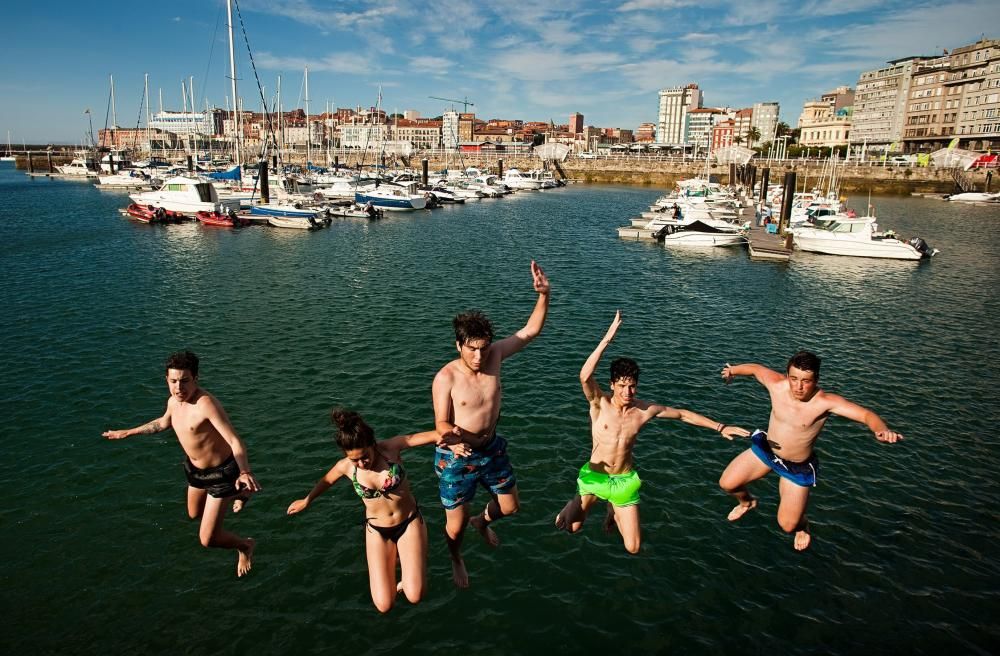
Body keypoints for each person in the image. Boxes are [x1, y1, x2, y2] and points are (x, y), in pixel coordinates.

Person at [555, 311, 749, 553]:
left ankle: (612, 507)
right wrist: (608, 338)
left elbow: (683, 414)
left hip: (624, 479)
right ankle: (578, 499)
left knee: (633, 547)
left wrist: (720, 427)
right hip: (595, 476)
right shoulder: (599, 403)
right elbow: (584, 375)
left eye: (633, 386)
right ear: (613, 384)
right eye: (623, 386)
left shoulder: (644, 410)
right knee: (571, 527)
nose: (628, 392)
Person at [432, 260, 550, 588]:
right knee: (453, 528)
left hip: (492, 448)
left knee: (510, 507)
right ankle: (457, 558)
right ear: (459, 345)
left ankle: (481, 521)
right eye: (472, 350)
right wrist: (451, 439)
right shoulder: (446, 378)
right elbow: (441, 421)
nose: (479, 357)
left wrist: (544, 294)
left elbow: (530, 331)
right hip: (457, 456)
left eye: (483, 349)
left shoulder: (495, 356)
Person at [719, 352, 904, 551]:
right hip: (768, 451)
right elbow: (756, 369)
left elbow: (866, 415)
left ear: (816, 379)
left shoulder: (826, 402)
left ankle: (802, 526)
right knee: (727, 483)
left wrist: (881, 429)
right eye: (794, 379)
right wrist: (733, 370)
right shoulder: (776, 385)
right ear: (787, 375)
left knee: (787, 525)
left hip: (796, 467)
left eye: (806, 381)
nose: (798, 387)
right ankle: (747, 503)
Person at [287, 409, 468, 613]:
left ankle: (408, 573)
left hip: (408, 522)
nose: (361, 463)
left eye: (365, 456)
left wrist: (449, 439)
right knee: (384, 606)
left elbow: (421, 437)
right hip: (377, 529)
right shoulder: (345, 467)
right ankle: (400, 566)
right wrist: (307, 500)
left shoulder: (390, 449)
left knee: (415, 596)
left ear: (372, 445)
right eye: (355, 460)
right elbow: (326, 481)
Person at [103, 351, 260, 577]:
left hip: (222, 474)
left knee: (207, 539)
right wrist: (128, 432)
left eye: (185, 381)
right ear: (166, 380)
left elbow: (235, 440)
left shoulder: (206, 404)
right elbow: (162, 423)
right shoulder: (174, 402)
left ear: (196, 378)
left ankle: (245, 545)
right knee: (193, 514)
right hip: (195, 471)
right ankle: (241, 493)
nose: (179, 388)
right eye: (173, 381)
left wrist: (244, 470)